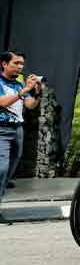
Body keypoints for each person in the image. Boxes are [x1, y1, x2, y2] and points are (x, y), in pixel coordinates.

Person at [0, 51, 41, 223]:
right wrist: (24, 89)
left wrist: (37, 92)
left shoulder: (18, 84)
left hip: (17, 130)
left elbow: (30, 105)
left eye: (22, 64)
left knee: (9, 171)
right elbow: (2, 103)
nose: (20, 67)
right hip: (1, 129)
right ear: (4, 63)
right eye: (16, 63)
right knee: (1, 168)